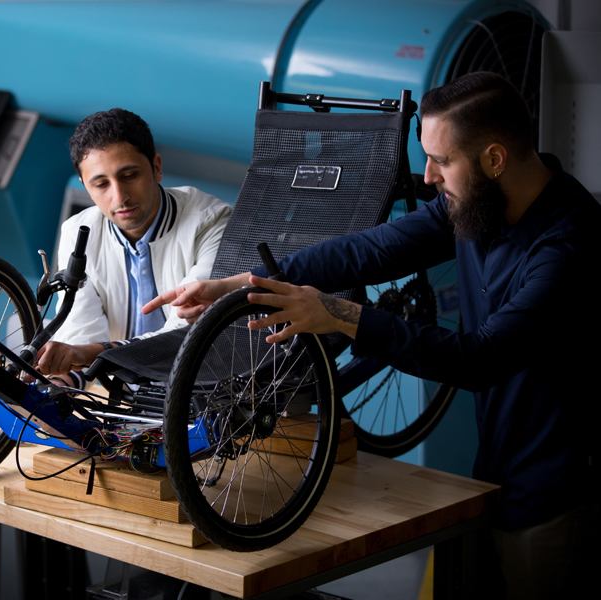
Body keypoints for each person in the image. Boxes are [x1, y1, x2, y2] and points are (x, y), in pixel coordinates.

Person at [143, 72, 599, 598]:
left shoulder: (569, 246)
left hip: (556, 498)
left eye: (442, 161)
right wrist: (247, 282)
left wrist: (339, 314)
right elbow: (374, 248)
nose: (427, 176)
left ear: (494, 159)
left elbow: (481, 359)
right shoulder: (480, 204)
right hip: (496, 471)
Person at [36, 108, 232, 388]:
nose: (120, 197)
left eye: (129, 175)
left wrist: (88, 354)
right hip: (122, 399)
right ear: (85, 186)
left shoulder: (213, 221)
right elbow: (82, 333)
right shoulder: (77, 232)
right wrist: (63, 382)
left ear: (157, 167)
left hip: (201, 395)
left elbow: (185, 336)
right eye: (101, 183)